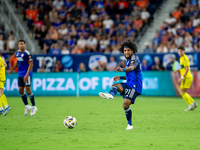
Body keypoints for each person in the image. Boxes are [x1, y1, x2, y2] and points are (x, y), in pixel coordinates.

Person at [99, 41, 142, 130]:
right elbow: (130, 75)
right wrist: (121, 77)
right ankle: (111, 95)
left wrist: (122, 69)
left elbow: (131, 68)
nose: (126, 52)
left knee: (125, 104)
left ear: (132, 50)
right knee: (115, 86)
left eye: (128, 50)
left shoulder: (134, 59)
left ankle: (130, 125)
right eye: (125, 50)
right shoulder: (128, 61)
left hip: (135, 86)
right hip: (129, 83)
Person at [9, 40, 37, 116]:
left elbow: (31, 65)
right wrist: (12, 69)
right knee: (20, 91)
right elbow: (17, 62)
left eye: (22, 44)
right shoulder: (18, 52)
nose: (20, 45)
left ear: (25, 45)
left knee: (28, 90)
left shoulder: (27, 53)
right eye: (19, 44)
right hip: (20, 74)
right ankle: (27, 106)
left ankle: (34, 107)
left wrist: (27, 75)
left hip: (27, 74)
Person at [173, 46, 198, 111]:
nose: (179, 52)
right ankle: (193, 103)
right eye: (179, 51)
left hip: (187, 77)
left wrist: (182, 77)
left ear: (184, 51)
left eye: (181, 51)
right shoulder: (181, 58)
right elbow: (183, 68)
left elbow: (187, 69)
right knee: (182, 92)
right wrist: (177, 71)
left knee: (182, 92)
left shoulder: (185, 58)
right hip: (185, 78)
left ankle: (191, 104)